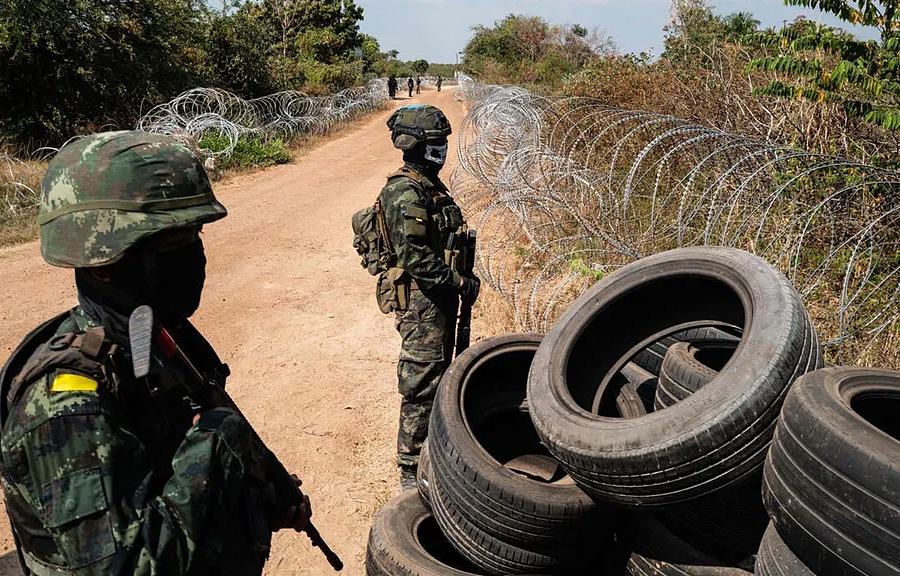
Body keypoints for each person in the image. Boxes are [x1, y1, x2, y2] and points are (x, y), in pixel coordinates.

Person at [0, 131, 312, 575]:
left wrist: (256, 495)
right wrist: (220, 442)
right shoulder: (65, 404)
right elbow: (127, 567)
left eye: (195, 235)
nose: (195, 256)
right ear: (104, 260)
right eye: (172, 243)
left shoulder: (150, 335)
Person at [377, 106, 480, 490]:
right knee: (421, 384)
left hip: (439, 298)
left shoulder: (429, 186)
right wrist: (459, 282)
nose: (442, 149)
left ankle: (433, 453)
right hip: (423, 303)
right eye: (436, 142)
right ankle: (410, 471)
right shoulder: (404, 191)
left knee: (439, 377)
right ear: (415, 144)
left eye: (443, 142)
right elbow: (414, 257)